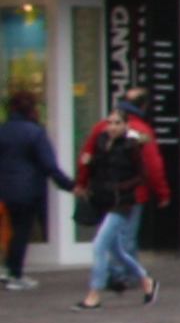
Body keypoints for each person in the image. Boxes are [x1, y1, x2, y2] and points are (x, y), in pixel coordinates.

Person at [74, 97, 165, 309]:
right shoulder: (100, 143)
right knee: (116, 251)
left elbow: (143, 175)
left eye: (116, 123)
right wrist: (85, 176)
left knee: (99, 246)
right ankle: (146, 281)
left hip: (122, 203)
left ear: (125, 125)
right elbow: (96, 167)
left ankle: (93, 295)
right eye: (109, 122)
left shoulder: (132, 145)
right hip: (103, 201)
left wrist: (121, 187)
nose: (111, 127)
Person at [0, 90, 58, 291]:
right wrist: (69, 185)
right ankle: (14, 273)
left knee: (13, 229)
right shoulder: (34, 131)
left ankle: (10, 269)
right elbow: (49, 164)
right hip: (28, 189)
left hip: (6, 188)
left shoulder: (4, 129)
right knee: (21, 232)